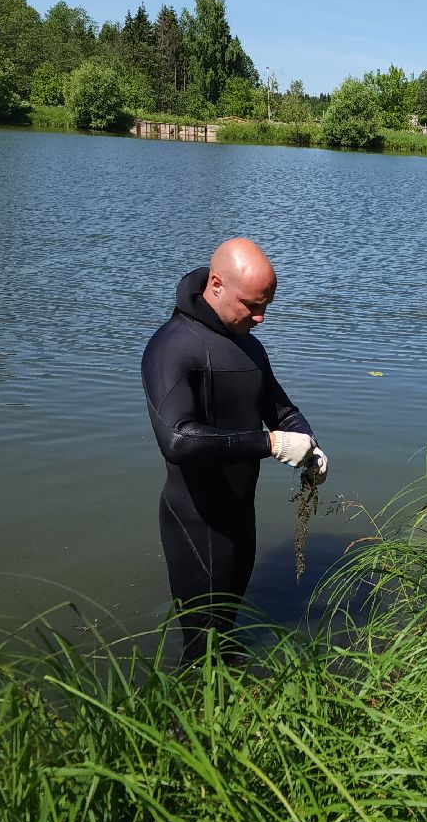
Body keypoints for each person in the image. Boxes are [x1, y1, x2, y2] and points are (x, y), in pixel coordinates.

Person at [140, 237, 327, 663]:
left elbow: (280, 408)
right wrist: (271, 443)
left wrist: (309, 446)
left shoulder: (248, 343)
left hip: (240, 515)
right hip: (196, 520)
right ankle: (189, 722)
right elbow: (178, 439)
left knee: (223, 634)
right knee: (199, 649)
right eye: (252, 305)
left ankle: (230, 713)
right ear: (217, 285)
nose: (261, 318)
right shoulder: (171, 347)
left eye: (267, 305)